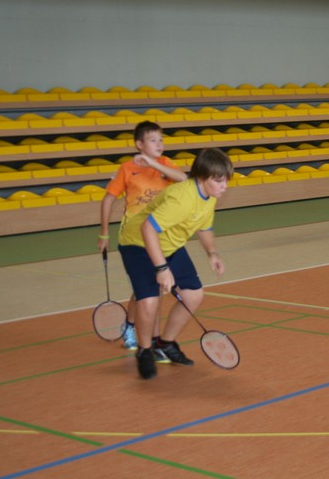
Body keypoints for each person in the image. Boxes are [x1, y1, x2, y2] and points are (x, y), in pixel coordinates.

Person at [117, 148, 233, 379]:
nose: (224, 186)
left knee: (194, 295)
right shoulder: (182, 199)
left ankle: (165, 343)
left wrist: (212, 253)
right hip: (138, 243)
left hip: (170, 244)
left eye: (226, 180)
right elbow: (147, 228)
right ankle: (145, 350)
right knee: (149, 301)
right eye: (219, 181)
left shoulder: (208, 197)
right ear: (202, 178)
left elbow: (204, 227)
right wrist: (162, 269)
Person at [97, 121, 187, 350]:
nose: (159, 144)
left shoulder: (165, 165)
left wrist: (153, 163)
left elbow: (183, 179)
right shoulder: (127, 169)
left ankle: (133, 327)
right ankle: (132, 328)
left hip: (160, 238)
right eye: (153, 140)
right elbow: (108, 200)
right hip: (134, 240)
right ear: (139, 144)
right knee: (146, 289)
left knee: (148, 288)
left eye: (161, 140)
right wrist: (105, 234)